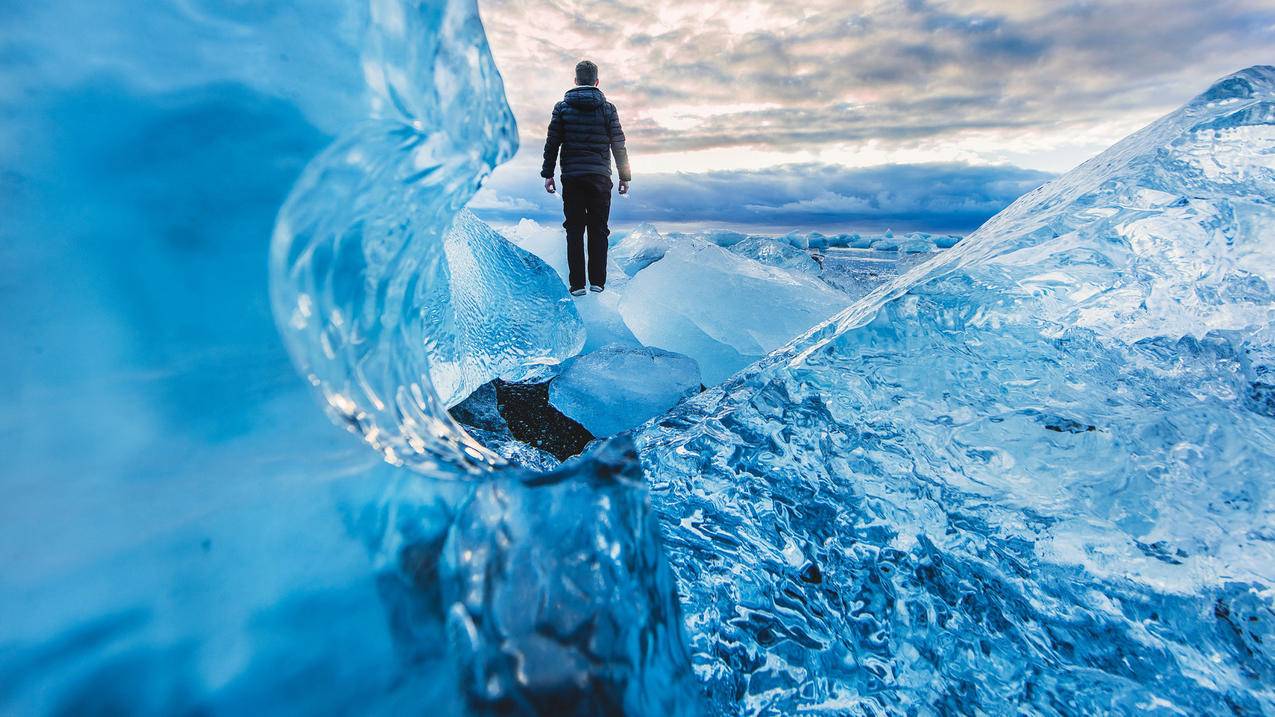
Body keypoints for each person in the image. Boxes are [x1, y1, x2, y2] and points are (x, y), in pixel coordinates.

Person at [541, 59, 631, 296]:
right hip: (600, 177)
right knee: (599, 229)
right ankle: (598, 282)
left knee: (574, 230)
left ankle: (577, 284)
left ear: (576, 80)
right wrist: (625, 176)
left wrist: (548, 173)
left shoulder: (562, 107)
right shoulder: (608, 109)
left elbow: (552, 143)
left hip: (572, 176)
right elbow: (618, 145)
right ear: (597, 81)